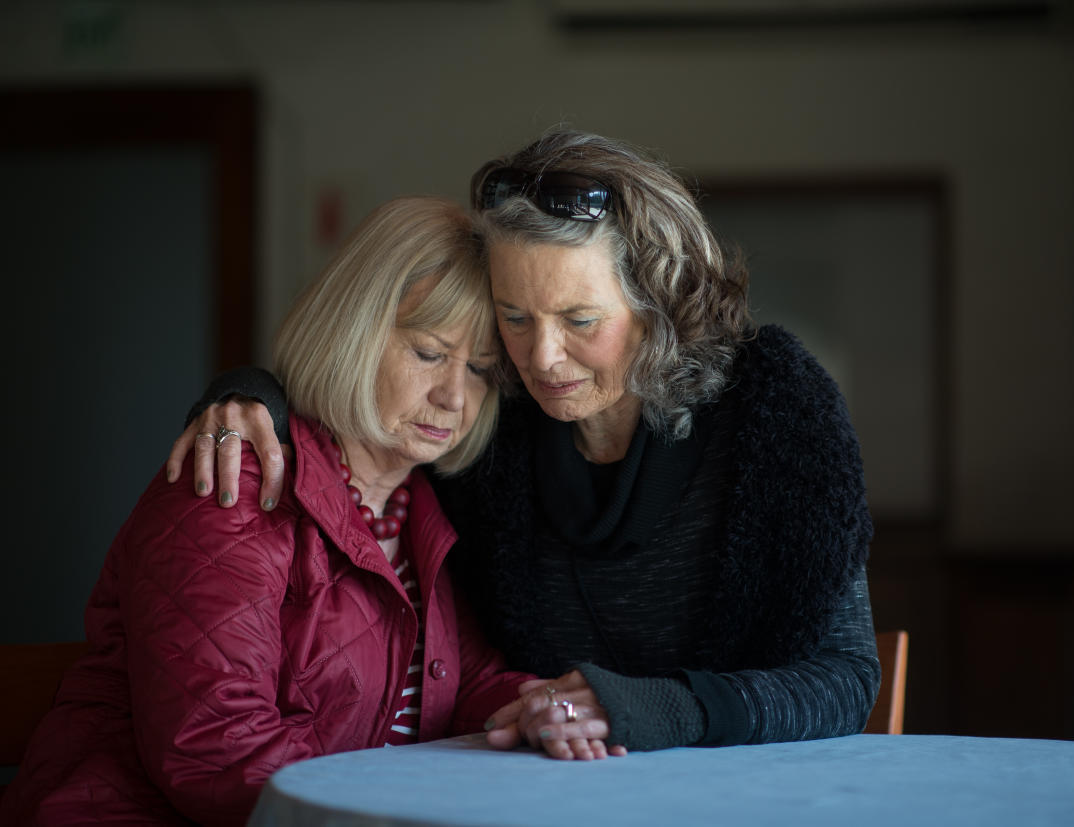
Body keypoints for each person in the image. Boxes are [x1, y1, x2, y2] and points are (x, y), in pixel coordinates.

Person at [169, 129, 880, 762]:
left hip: (744, 797)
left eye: (579, 319)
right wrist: (250, 391)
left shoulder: (776, 408)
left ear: (657, 302)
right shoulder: (491, 414)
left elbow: (846, 679)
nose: (542, 357)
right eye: (514, 316)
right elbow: (366, 385)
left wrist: (657, 707)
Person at [1, 197, 542, 827]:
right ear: (352, 333)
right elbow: (218, 743)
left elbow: (466, 688)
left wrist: (541, 709)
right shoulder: (236, 480)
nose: (455, 395)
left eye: (480, 369)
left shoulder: (417, 508)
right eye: (428, 352)